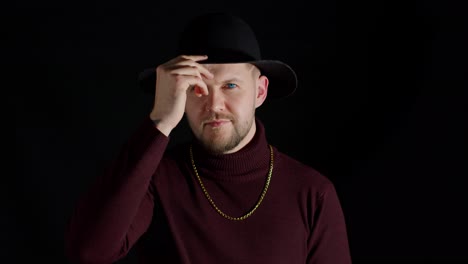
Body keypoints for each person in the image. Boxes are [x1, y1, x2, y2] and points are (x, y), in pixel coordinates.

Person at [64, 12, 352, 264]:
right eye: (196, 88)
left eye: (230, 85)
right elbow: (90, 252)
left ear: (260, 92)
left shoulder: (313, 193)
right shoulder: (155, 179)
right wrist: (160, 121)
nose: (213, 104)